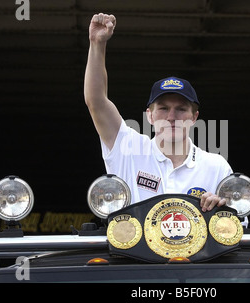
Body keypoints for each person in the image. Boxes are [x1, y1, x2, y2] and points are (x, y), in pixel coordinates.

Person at [84, 13, 232, 212]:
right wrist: (96, 43)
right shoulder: (129, 150)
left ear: (194, 118)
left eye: (181, 109)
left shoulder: (216, 166)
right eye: (163, 108)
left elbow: (235, 228)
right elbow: (96, 102)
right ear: (150, 116)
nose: (171, 117)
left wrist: (220, 210)